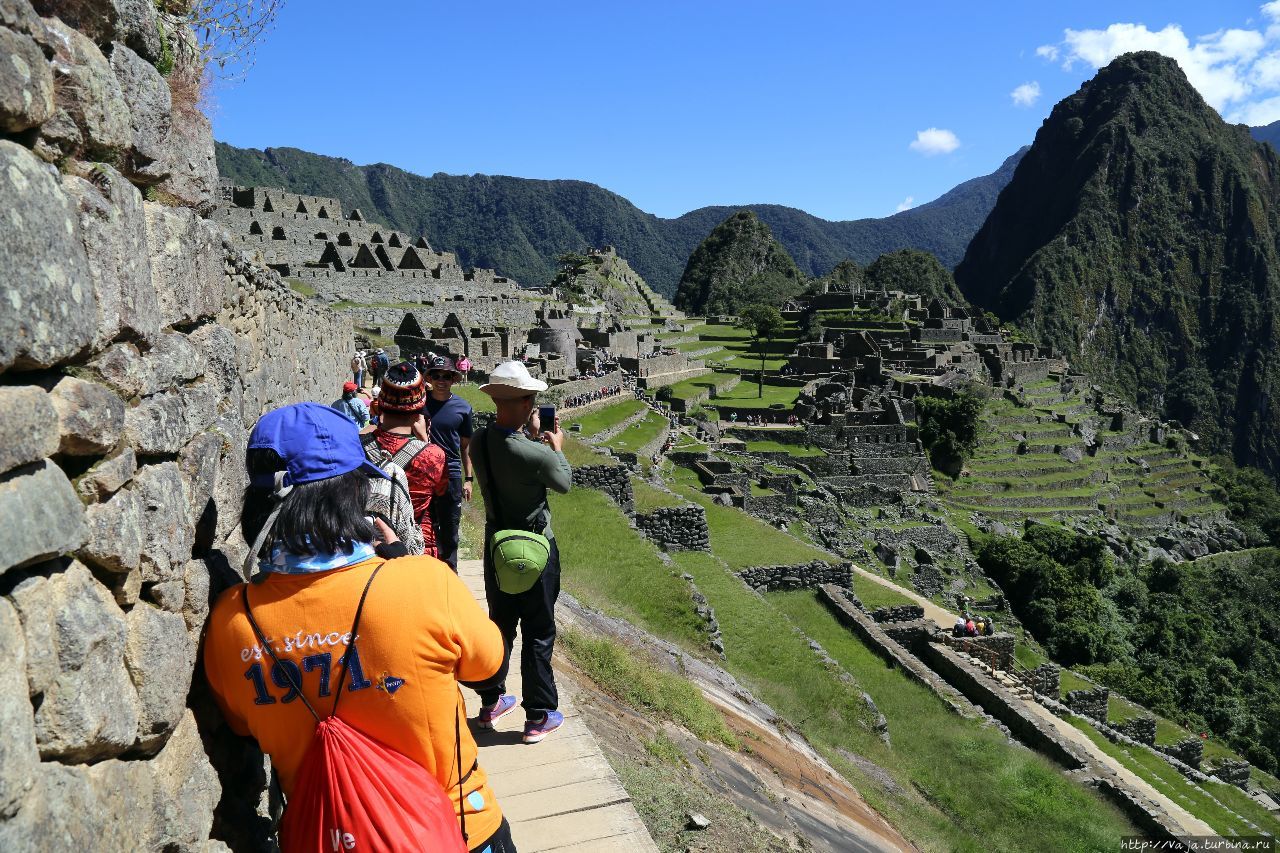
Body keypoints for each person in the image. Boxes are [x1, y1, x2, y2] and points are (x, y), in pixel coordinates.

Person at [201, 402, 515, 852]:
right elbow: (489, 666)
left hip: (329, 837)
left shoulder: (232, 620)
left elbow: (241, 723)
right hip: (457, 827)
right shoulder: (422, 583)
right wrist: (402, 564)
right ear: (352, 492)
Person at [469, 361, 571, 744]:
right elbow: (563, 483)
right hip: (535, 548)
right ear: (528, 401)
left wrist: (528, 436)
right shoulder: (537, 454)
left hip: (497, 546)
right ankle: (538, 715)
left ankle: (491, 701)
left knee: (501, 627)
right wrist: (555, 448)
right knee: (539, 632)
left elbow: (506, 449)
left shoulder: (480, 441)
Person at [371, 363, 449, 557]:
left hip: (367, 547)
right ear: (420, 408)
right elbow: (441, 491)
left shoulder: (354, 447)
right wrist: (425, 441)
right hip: (415, 548)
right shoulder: (433, 455)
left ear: (380, 403)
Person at [424, 355, 475, 571]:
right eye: (436, 375)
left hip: (451, 472)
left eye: (446, 376)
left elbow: (465, 446)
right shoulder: (421, 404)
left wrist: (469, 479)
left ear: (453, 378)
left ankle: (450, 571)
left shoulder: (463, 408)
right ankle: (430, 568)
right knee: (426, 522)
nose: (441, 380)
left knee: (450, 524)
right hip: (424, 472)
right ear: (431, 378)